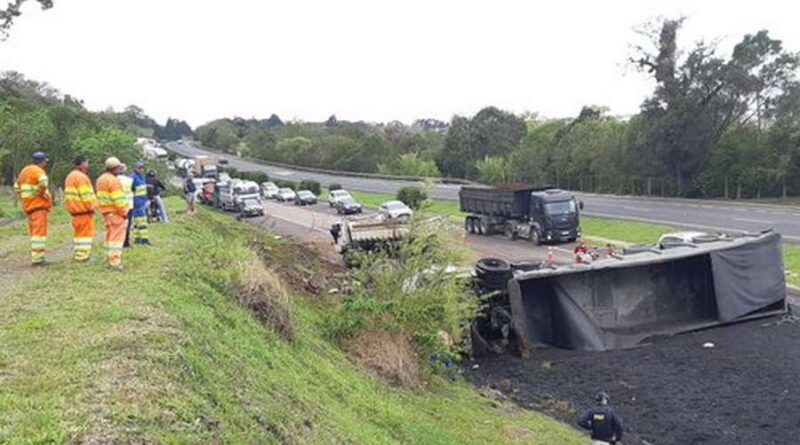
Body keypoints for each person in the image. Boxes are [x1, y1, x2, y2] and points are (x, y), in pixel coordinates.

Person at [13, 152, 53, 266]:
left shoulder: (24, 171)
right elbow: (44, 182)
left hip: (29, 207)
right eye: (45, 161)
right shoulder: (38, 171)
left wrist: (24, 199)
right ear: (42, 161)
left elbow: (16, 187)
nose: (45, 164)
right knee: (39, 234)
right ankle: (38, 260)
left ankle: (36, 257)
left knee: (34, 233)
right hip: (39, 207)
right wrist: (40, 194)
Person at [96, 157, 129, 270]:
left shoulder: (100, 179)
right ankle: (115, 262)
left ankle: (109, 258)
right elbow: (119, 201)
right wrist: (124, 213)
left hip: (106, 213)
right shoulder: (113, 181)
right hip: (116, 213)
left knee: (109, 237)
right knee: (116, 239)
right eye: (119, 168)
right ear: (115, 169)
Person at [64, 155, 97, 262]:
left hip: (74, 212)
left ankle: (78, 254)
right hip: (83, 211)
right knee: (85, 236)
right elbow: (86, 195)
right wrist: (92, 208)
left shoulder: (70, 176)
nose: (88, 165)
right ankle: (83, 257)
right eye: (87, 162)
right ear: (82, 164)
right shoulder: (81, 177)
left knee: (78, 235)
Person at [131, 161, 150, 245]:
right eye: (139, 168)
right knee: (141, 221)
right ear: (134, 168)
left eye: (142, 168)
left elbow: (142, 189)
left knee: (137, 221)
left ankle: (137, 238)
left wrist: (146, 200)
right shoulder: (133, 177)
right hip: (136, 202)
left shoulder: (141, 177)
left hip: (142, 201)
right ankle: (144, 239)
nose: (141, 169)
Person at [118, 167, 134, 248]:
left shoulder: (114, 180)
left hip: (118, 205)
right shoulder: (129, 180)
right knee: (127, 224)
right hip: (128, 205)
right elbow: (134, 189)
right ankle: (126, 242)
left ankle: (118, 241)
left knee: (118, 225)